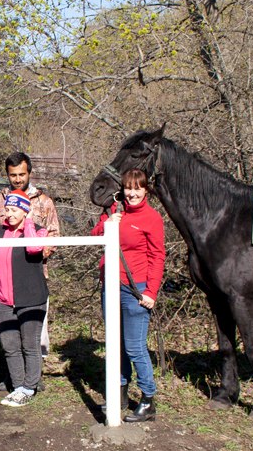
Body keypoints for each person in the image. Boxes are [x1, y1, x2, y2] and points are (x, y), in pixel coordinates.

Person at [90, 168, 165, 422]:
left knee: (134, 347)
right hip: (109, 285)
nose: (132, 193)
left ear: (145, 190)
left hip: (135, 289)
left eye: (137, 188)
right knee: (115, 344)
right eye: (128, 188)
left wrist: (151, 291)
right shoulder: (114, 211)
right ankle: (119, 393)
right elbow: (94, 237)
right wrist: (107, 224)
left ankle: (147, 399)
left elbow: (157, 256)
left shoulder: (152, 218)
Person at [0, 152, 60, 362]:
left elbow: (54, 233)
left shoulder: (44, 202)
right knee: (10, 331)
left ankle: (36, 374)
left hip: (34, 276)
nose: (18, 179)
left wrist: (38, 251)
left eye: (22, 174)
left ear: (29, 173)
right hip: (6, 279)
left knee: (35, 332)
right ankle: (14, 374)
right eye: (13, 175)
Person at [0, 190, 49, 407]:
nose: (9, 214)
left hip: (31, 298)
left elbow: (34, 248)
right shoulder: (1, 232)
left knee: (30, 345)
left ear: (25, 211)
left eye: (15, 209)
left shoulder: (37, 231)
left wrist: (27, 224)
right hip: (4, 299)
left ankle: (29, 386)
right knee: (9, 345)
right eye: (7, 209)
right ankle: (18, 386)